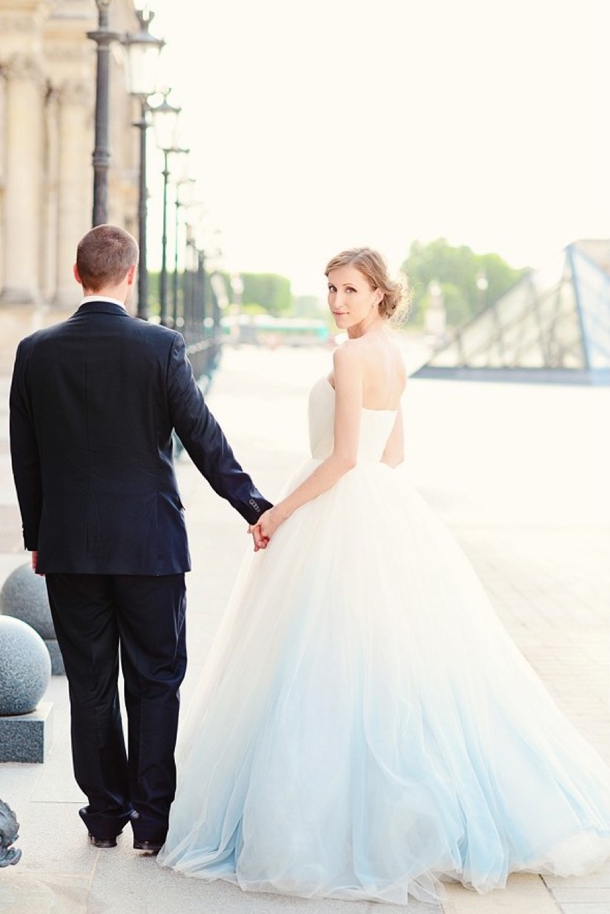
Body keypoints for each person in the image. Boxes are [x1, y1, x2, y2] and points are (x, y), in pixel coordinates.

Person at [157, 246, 610, 905]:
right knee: (387, 662)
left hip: (337, 510)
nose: (338, 301)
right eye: (332, 288)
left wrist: (277, 514)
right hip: (386, 512)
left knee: (320, 661)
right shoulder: (394, 355)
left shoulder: (347, 357)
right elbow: (392, 454)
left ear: (378, 295)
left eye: (350, 290)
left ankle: (335, 820)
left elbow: (342, 458)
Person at [9, 224, 272, 853]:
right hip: (150, 547)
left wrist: (37, 535)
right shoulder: (160, 347)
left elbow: (26, 456)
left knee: (90, 684)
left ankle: (104, 817)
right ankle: (153, 824)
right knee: (155, 681)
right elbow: (203, 437)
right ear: (130, 275)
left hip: (70, 548)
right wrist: (254, 508)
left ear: (78, 276)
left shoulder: (35, 350)